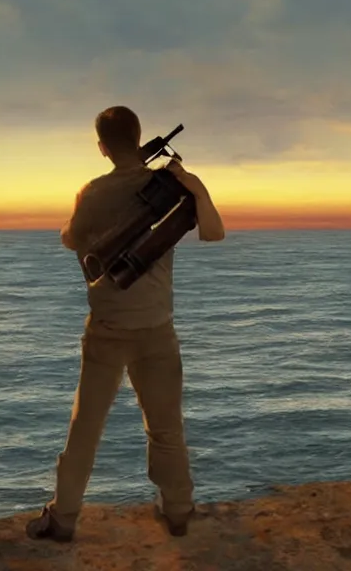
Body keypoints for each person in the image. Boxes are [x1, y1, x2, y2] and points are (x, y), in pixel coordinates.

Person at [26, 105, 226, 542]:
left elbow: (72, 240)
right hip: (157, 329)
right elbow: (214, 232)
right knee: (166, 429)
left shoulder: (92, 192)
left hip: (106, 331)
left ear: (102, 148)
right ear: (139, 140)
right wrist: (194, 185)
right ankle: (177, 512)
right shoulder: (171, 187)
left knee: (85, 430)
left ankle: (63, 519)